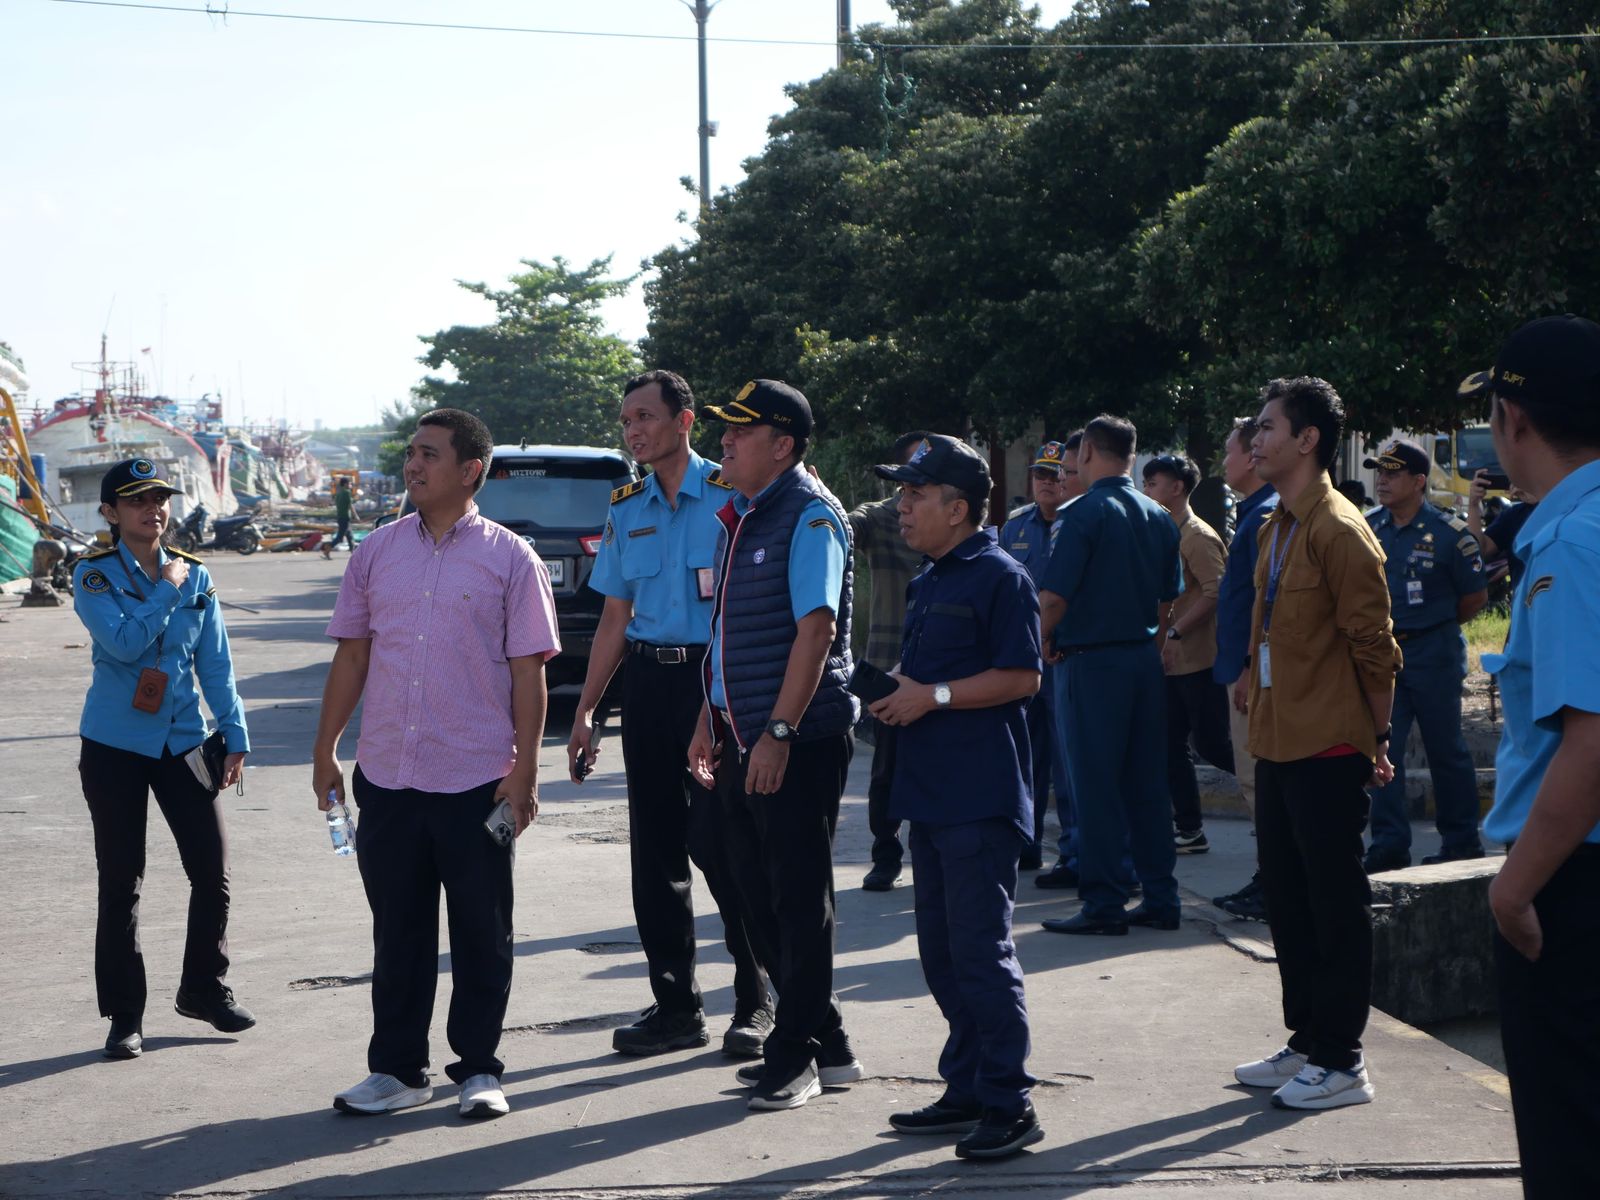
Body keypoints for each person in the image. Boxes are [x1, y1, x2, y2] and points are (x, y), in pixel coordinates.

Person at [313, 408, 559, 1120]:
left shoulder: (512, 559)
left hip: (477, 778)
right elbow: (352, 656)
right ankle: (397, 1071)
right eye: (412, 453)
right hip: (387, 774)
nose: (413, 465)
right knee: (398, 932)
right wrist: (326, 749)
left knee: (483, 931)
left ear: (469, 470)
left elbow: (529, 674)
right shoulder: (376, 552)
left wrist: (525, 771)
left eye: (429, 454)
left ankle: (478, 1069)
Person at [566, 369, 771, 1059]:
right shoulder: (628, 507)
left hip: (717, 685)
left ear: (685, 421)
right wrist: (587, 708)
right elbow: (614, 618)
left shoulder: (732, 493)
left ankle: (757, 998)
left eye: (646, 417)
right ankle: (676, 1007)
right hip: (650, 683)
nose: (634, 430)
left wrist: (724, 700)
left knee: (722, 843)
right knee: (654, 852)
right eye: (627, 420)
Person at [687, 379, 862, 1114]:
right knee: (744, 883)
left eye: (741, 431)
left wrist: (780, 733)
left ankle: (796, 1056)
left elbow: (816, 631)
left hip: (796, 738)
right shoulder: (744, 514)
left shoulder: (809, 515)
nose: (724, 442)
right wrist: (709, 715)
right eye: (725, 430)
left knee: (795, 898)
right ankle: (829, 1040)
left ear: (783, 445)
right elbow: (728, 632)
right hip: (741, 732)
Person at [867, 434, 1045, 1160]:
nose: (902, 507)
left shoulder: (1001, 577)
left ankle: (1010, 1101)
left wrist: (932, 696)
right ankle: (968, 1086)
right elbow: (926, 681)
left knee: (979, 953)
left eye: (915, 495)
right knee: (942, 955)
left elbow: (1023, 677)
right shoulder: (931, 577)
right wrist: (895, 694)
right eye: (902, 494)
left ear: (959, 507)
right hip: (931, 793)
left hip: (979, 795)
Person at [1233, 377, 1399, 1111]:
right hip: (1279, 735)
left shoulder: (1339, 528)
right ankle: (1306, 1040)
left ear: (1307, 440)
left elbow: (1375, 647)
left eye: (1268, 427)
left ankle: (1341, 1059)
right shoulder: (1275, 524)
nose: (1255, 439)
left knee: (1334, 902)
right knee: (1288, 896)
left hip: (1329, 743)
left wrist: (1378, 736)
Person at [73, 458, 253, 1060]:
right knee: (121, 880)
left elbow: (215, 661)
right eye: (137, 500)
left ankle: (203, 988)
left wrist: (235, 732)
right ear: (110, 512)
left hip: (183, 742)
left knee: (212, 871)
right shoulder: (93, 575)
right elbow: (123, 643)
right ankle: (125, 1014)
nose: (153, 509)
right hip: (115, 746)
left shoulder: (196, 573)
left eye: (159, 499)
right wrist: (167, 590)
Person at [1479, 314, 1600, 1198]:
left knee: (1569, 1143)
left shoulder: (1570, 542)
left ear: (1512, 418)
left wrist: (1513, 889)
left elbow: (1592, 742)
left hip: (1574, 883)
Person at [1037, 415, 1183, 936]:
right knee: (1147, 785)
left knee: (1094, 786)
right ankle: (1161, 898)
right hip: (1142, 659)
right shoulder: (1158, 515)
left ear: (1088, 453)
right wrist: (1152, 647)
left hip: (1091, 664)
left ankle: (1103, 903)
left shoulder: (1081, 514)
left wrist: (1040, 640)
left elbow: (1054, 597)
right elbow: (1167, 599)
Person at [1361, 440, 1488, 872]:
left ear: (1418, 482)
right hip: (1384, 655)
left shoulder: (1451, 533)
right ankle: (1389, 844)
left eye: (1392, 474)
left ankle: (1461, 840)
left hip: (1434, 652)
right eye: (1380, 473)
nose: (1382, 481)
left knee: (1445, 750)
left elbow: (1474, 597)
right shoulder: (1368, 528)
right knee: (1383, 750)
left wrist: (1431, 624)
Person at [847, 429, 932, 891]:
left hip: (942, 667)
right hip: (888, 664)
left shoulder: (957, 519)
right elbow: (849, 526)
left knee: (937, 769)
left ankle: (932, 855)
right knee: (885, 772)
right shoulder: (882, 518)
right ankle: (886, 855)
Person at [1142, 453, 1235, 856]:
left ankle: (1274, 797)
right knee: (1169, 746)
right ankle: (1190, 829)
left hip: (1198, 661)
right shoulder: (1162, 532)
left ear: (1176, 488)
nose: (1147, 490)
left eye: (1153, 483)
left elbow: (1217, 592)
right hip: (1168, 661)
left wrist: (1176, 631)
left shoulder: (1196, 535)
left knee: (1214, 745)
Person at [1212, 418, 1278, 921]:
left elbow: (1265, 602)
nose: (1224, 461)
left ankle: (1274, 883)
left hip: (1252, 673)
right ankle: (1269, 876)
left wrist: (1250, 667)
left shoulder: (1265, 516)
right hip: (1244, 667)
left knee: (1258, 782)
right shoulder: (1255, 511)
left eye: (1229, 451)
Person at [1000, 440, 1070, 872]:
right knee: (1027, 755)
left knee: (1067, 759)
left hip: (1065, 656)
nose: (1046, 482)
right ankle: (1027, 842)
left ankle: (1073, 851)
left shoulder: (1078, 522)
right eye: (1040, 474)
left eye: (1055, 475)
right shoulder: (1015, 527)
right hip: (1026, 657)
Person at [1469, 469, 1536, 591]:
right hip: (1523, 597)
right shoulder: (1513, 515)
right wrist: (1473, 504)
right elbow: (1479, 550)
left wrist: (1539, 498)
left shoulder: (1564, 508)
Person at [322, 476, 355, 558]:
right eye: (349, 484)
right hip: (345, 517)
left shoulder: (338, 493)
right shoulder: (347, 492)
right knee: (340, 537)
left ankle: (354, 555)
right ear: (345, 484)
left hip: (340, 517)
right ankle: (327, 550)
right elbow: (350, 505)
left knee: (350, 536)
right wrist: (355, 515)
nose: (350, 485)